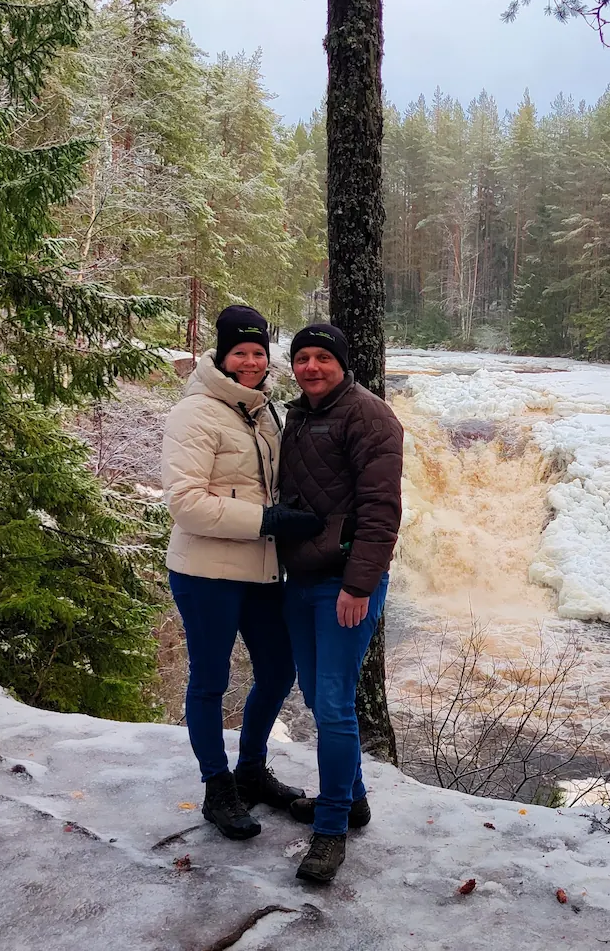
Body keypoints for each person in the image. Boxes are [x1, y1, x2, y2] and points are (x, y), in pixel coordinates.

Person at [161, 305, 323, 841]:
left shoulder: (264, 412)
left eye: (259, 352)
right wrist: (267, 519)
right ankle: (216, 787)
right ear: (222, 355)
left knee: (279, 671)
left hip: (260, 569)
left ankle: (250, 768)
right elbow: (185, 503)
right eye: (241, 352)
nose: (252, 361)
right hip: (205, 571)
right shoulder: (195, 413)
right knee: (210, 680)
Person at [276, 323, 404, 883]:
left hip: (343, 583)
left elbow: (381, 509)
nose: (310, 367)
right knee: (315, 693)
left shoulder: (369, 415)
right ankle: (353, 800)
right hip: (299, 577)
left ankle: (330, 831)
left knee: (332, 703)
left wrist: (357, 584)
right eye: (301, 358)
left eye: (322, 358)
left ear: (341, 363)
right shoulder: (299, 415)